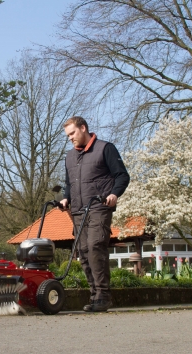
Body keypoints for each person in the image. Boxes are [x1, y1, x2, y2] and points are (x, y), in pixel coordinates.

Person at [58, 116, 130, 312]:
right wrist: (66, 198)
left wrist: (114, 193)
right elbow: (69, 184)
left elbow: (122, 175)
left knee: (95, 246)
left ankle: (104, 295)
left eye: (72, 133)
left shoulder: (105, 148)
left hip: (99, 206)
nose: (70, 138)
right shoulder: (70, 157)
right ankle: (94, 296)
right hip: (78, 210)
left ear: (83, 128)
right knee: (82, 251)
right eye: (68, 135)